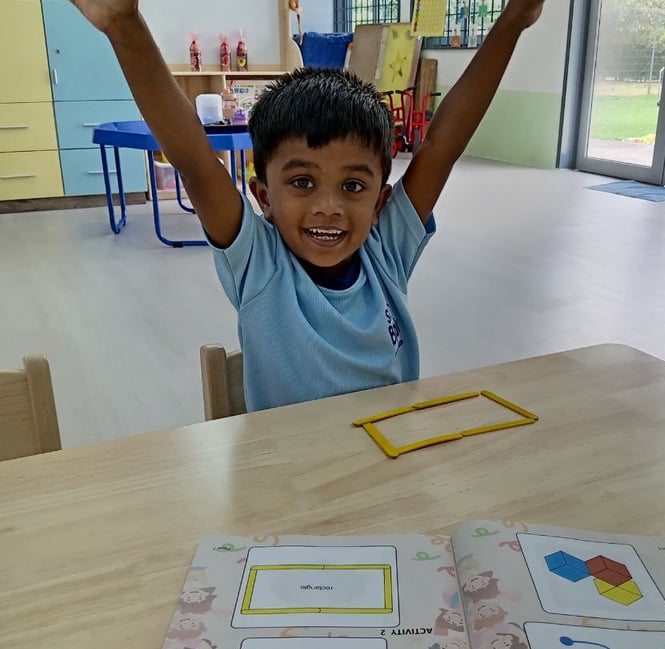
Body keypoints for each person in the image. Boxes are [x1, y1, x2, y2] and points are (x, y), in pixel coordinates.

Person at [71, 0, 546, 410]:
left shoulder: (386, 249)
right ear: (263, 197)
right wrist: (124, 25)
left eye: (353, 186)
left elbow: (441, 146)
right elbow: (195, 160)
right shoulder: (259, 263)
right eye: (302, 182)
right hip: (293, 476)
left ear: (380, 202)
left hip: (391, 464)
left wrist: (513, 20)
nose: (329, 207)